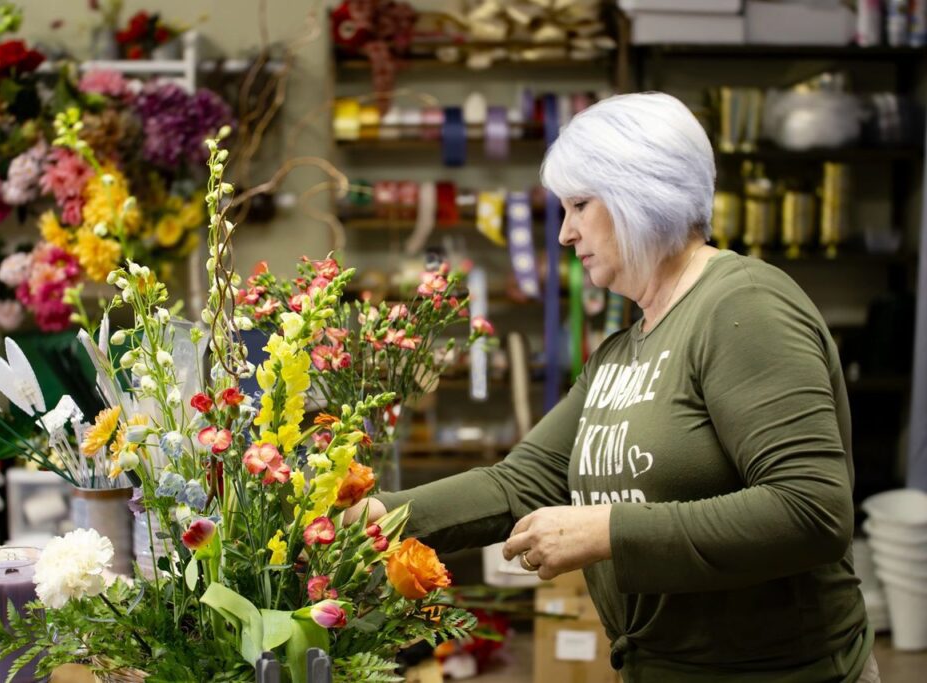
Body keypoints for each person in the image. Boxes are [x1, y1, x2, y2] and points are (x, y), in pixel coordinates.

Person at [346, 92, 877, 682]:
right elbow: (523, 483)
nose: (565, 235)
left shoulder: (743, 307)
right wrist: (374, 517)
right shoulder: (625, 349)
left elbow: (813, 509)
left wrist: (607, 530)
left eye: (579, 205)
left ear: (642, 192)